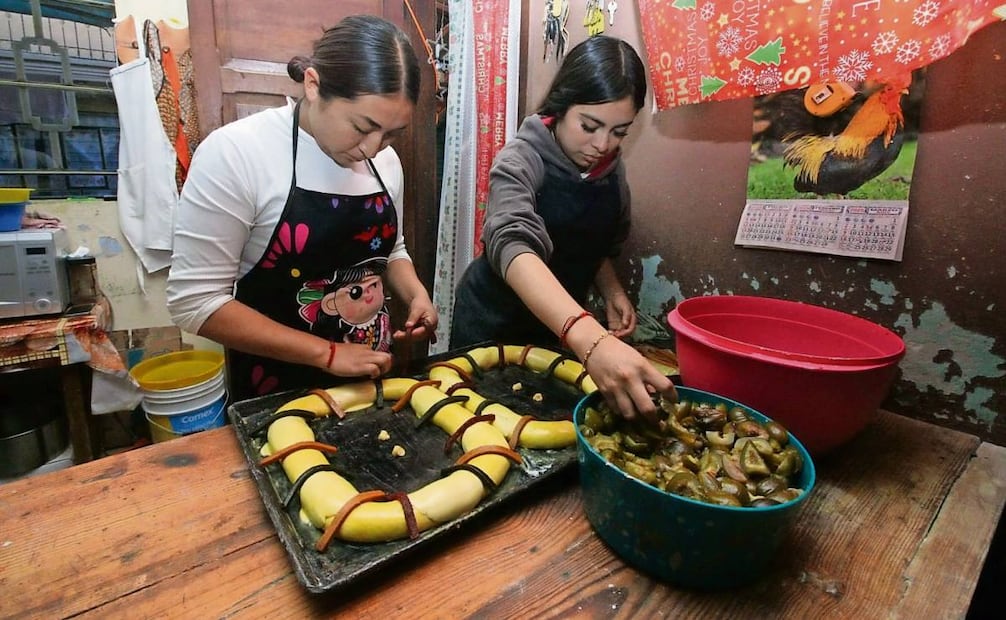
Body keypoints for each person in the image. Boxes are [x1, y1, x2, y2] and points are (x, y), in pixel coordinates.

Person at [167, 15, 437, 402]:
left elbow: (390, 250)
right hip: (277, 392)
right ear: (313, 84)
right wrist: (326, 354)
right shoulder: (238, 153)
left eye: (392, 133)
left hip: (370, 381)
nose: (373, 148)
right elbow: (194, 302)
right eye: (363, 127)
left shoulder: (387, 163)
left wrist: (415, 294)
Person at [449, 35, 675, 421]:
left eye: (620, 131)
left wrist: (611, 289)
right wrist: (589, 338)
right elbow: (513, 244)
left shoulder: (610, 170)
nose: (602, 144)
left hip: (559, 333)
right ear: (561, 106)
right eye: (589, 126)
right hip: (494, 324)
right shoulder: (521, 159)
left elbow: (596, 243)